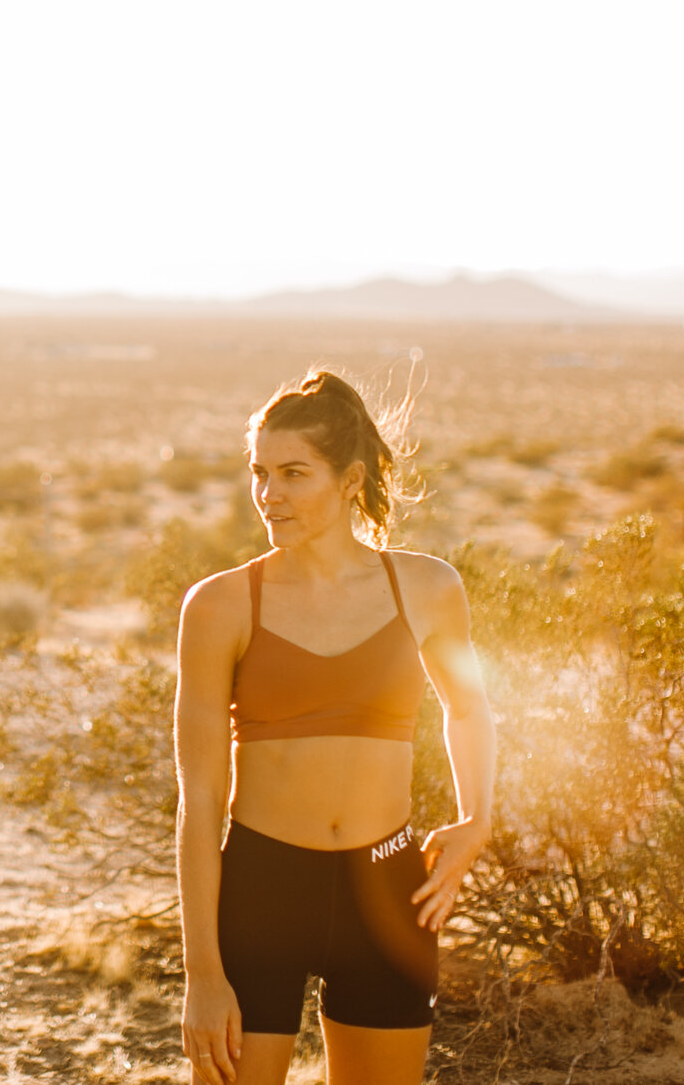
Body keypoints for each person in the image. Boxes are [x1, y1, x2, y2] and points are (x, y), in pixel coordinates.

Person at [174, 370, 497, 1085]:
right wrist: (202, 972)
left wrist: (477, 818)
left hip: (387, 889)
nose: (269, 494)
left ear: (351, 480)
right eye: (259, 472)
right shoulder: (221, 606)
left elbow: (469, 706)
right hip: (261, 889)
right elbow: (199, 801)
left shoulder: (428, 588)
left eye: (293, 472)